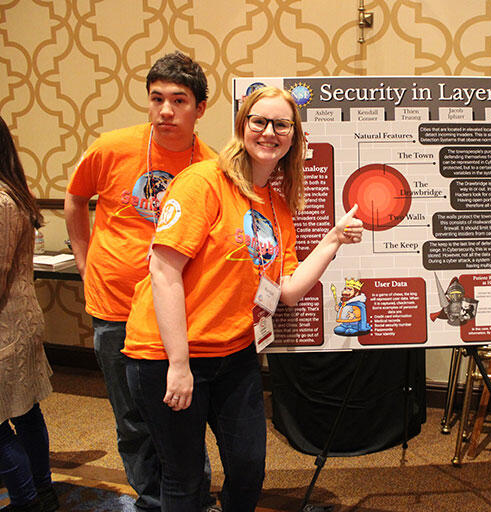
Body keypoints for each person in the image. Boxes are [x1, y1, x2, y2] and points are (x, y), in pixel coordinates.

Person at [121, 85, 363, 511]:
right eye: (259, 121)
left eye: (282, 124)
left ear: (294, 135)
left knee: (249, 467)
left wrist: (332, 240)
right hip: (168, 355)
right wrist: (179, 364)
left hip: (235, 354)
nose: (270, 132)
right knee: (184, 476)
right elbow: (163, 270)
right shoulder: (203, 182)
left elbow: (286, 291)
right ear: (242, 126)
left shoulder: (276, 200)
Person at [63, 52, 218, 512]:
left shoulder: (209, 164)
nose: (166, 110)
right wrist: (85, 259)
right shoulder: (113, 147)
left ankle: (191, 498)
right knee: (132, 418)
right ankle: (154, 500)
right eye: (157, 99)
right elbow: (75, 199)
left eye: (178, 100)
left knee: (183, 415)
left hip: (175, 311)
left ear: (200, 108)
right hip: (115, 307)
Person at [0, 115, 58, 512]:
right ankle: (43, 492)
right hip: (16, 321)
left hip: (7, 326)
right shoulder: (11, 192)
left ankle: (28, 500)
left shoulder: (1, 200)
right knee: (26, 411)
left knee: (3, 425)